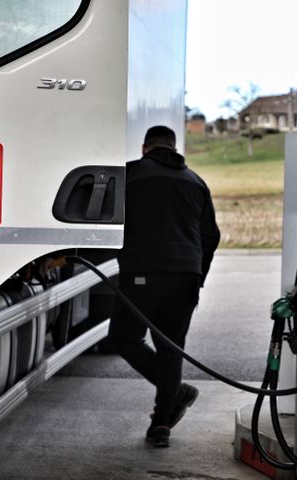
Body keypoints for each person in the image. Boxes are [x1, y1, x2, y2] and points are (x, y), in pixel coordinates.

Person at [109, 125, 220, 448]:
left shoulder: (130, 175)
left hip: (142, 272)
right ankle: (161, 425)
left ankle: (177, 393)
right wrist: (198, 275)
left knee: (124, 338)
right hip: (186, 275)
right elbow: (211, 236)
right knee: (170, 348)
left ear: (146, 148)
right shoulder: (195, 182)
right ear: (174, 148)